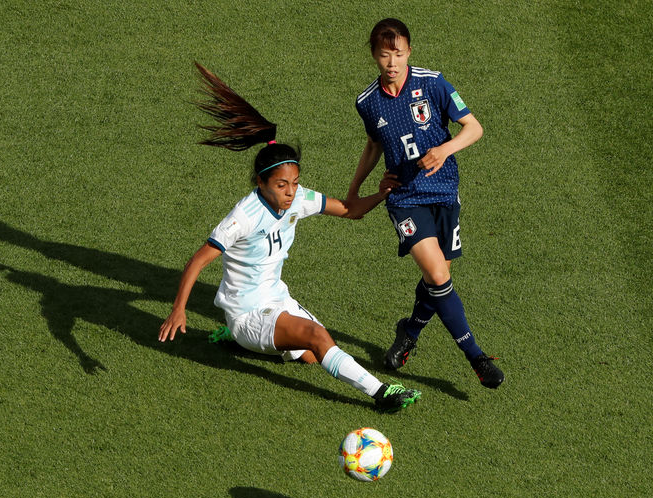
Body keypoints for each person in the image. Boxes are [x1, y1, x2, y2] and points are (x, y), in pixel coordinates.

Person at [158, 62, 421, 412]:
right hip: (248, 314)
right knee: (317, 337)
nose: (290, 192)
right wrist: (178, 309)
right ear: (261, 183)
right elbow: (198, 260)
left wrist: (383, 192)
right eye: (281, 185)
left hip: (277, 300)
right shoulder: (244, 216)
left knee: (315, 355)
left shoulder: (298, 198)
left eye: (294, 183)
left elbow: (349, 210)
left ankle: (244, 345)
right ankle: (381, 394)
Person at [346, 18, 504, 388]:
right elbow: (373, 145)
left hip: (446, 191)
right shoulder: (367, 102)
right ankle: (477, 358)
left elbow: (474, 128)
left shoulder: (432, 83)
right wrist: (354, 190)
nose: (391, 63)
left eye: (398, 54)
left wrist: (443, 149)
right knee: (437, 275)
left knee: (439, 280)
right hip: (405, 199)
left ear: (409, 52)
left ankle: (409, 331)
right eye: (384, 55)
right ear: (373, 56)